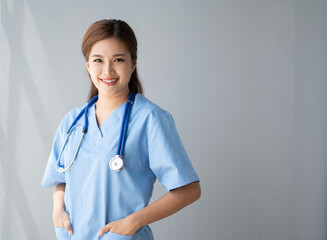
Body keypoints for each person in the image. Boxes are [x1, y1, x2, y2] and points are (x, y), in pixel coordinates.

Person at [41, 19, 201, 240]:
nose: (108, 70)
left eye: (118, 59)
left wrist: (134, 221)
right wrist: (58, 209)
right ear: (88, 65)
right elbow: (60, 179)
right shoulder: (72, 121)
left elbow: (189, 190)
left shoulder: (151, 119)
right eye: (98, 60)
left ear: (133, 63)